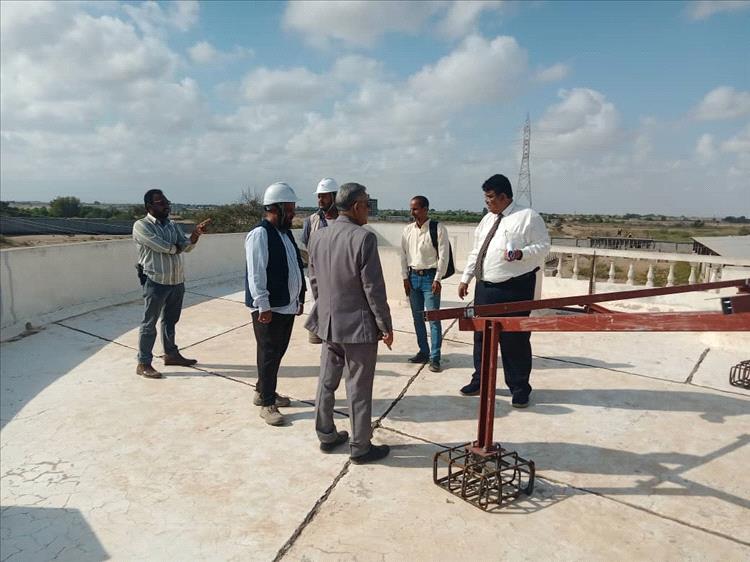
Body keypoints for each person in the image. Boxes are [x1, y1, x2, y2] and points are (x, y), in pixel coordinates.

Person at [305, 182, 393, 464]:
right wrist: (385, 326)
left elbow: (315, 281)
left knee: (326, 382)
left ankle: (326, 434)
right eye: (367, 203)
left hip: (329, 324)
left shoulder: (318, 236)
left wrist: (326, 310)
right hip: (358, 329)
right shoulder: (363, 238)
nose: (369, 209)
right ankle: (360, 446)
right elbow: (373, 289)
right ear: (356, 207)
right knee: (358, 388)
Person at [457, 174, 550, 408]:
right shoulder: (487, 219)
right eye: (485, 197)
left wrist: (521, 254)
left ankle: (519, 388)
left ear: (504, 196)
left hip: (515, 287)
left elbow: (544, 246)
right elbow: (477, 251)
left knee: (514, 340)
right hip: (485, 288)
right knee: (482, 336)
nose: (487, 201)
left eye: (490, 197)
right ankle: (480, 380)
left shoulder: (528, 217)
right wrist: (466, 278)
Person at [245, 182, 306, 426]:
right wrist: (263, 305)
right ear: (275, 208)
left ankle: (263, 390)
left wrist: (299, 298)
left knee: (277, 352)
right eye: (289, 210)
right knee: (269, 353)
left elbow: (295, 267)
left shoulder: (285, 233)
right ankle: (267, 403)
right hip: (270, 308)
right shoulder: (260, 234)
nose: (292, 214)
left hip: (286, 305)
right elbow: (256, 273)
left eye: (293, 209)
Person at [133, 189, 210, 379]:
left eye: (167, 202)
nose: (166, 205)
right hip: (155, 281)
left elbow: (186, 247)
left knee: (170, 320)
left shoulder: (172, 225)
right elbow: (161, 246)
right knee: (149, 323)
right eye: (161, 203)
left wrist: (195, 235)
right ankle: (143, 363)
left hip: (176, 281)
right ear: (149, 206)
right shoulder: (141, 226)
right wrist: (178, 247)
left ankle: (171, 354)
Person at [400, 195, 450, 372]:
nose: (412, 212)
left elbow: (443, 256)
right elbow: (403, 255)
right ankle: (423, 351)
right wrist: (405, 278)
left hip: (430, 278)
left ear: (425, 209)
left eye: (415, 209)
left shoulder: (438, 228)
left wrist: (438, 279)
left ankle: (435, 358)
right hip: (413, 278)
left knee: (433, 319)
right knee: (417, 318)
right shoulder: (408, 230)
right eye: (411, 209)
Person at [301, 177, 339, 344]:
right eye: (319, 196)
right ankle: (317, 333)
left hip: (338, 274)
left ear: (334, 197)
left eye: (324, 196)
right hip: (317, 273)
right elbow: (307, 244)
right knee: (316, 302)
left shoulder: (344, 221)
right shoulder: (311, 221)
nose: (320, 200)